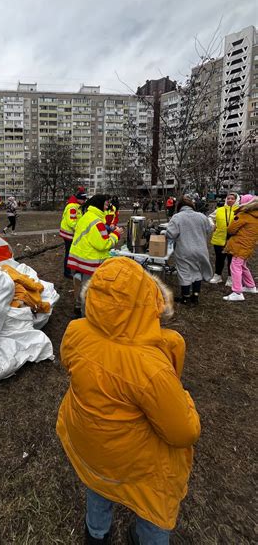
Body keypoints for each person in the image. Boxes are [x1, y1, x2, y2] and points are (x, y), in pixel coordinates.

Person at [57, 257, 201, 545]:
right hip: (131, 459)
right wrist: (185, 398)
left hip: (90, 444)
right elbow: (184, 432)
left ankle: (96, 534)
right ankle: (146, 538)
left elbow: (70, 363)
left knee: (98, 483)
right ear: (146, 298)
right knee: (156, 495)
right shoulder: (150, 368)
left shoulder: (76, 331)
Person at [67, 194, 123, 316]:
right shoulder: (97, 222)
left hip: (78, 259)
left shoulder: (87, 216)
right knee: (88, 291)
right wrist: (116, 234)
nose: (108, 206)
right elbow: (103, 244)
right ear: (99, 204)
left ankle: (78, 308)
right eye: (106, 204)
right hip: (89, 262)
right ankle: (85, 316)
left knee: (81, 286)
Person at [166, 195, 213, 304]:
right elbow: (209, 229)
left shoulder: (177, 217)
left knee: (184, 272)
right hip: (201, 249)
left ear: (179, 206)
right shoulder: (202, 216)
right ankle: (195, 296)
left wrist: (165, 233)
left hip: (184, 249)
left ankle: (186, 297)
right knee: (197, 271)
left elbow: (171, 234)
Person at [223, 194, 258, 301]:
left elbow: (231, 230)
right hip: (248, 244)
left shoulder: (244, 214)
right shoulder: (256, 215)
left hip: (240, 244)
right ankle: (250, 286)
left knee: (235, 266)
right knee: (242, 265)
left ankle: (237, 292)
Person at [208, 192, 240, 285]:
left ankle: (231, 278)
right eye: (228, 198)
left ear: (236, 200)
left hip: (233, 239)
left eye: (232, 199)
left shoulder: (240, 211)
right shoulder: (219, 210)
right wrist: (212, 225)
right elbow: (210, 217)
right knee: (219, 258)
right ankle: (217, 276)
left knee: (231, 260)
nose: (230, 200)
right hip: (219, 238)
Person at [59, 187, 87, 279]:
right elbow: (72, 222)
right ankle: (67, 272)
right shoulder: (72, 207)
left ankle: (71, 271)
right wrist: (80, 230)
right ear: (79, 199)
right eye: (83, 200)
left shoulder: (76, 206)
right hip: (69, 235)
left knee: (71, 253)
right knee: (69, 253)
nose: (84, 201)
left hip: (72, 234)